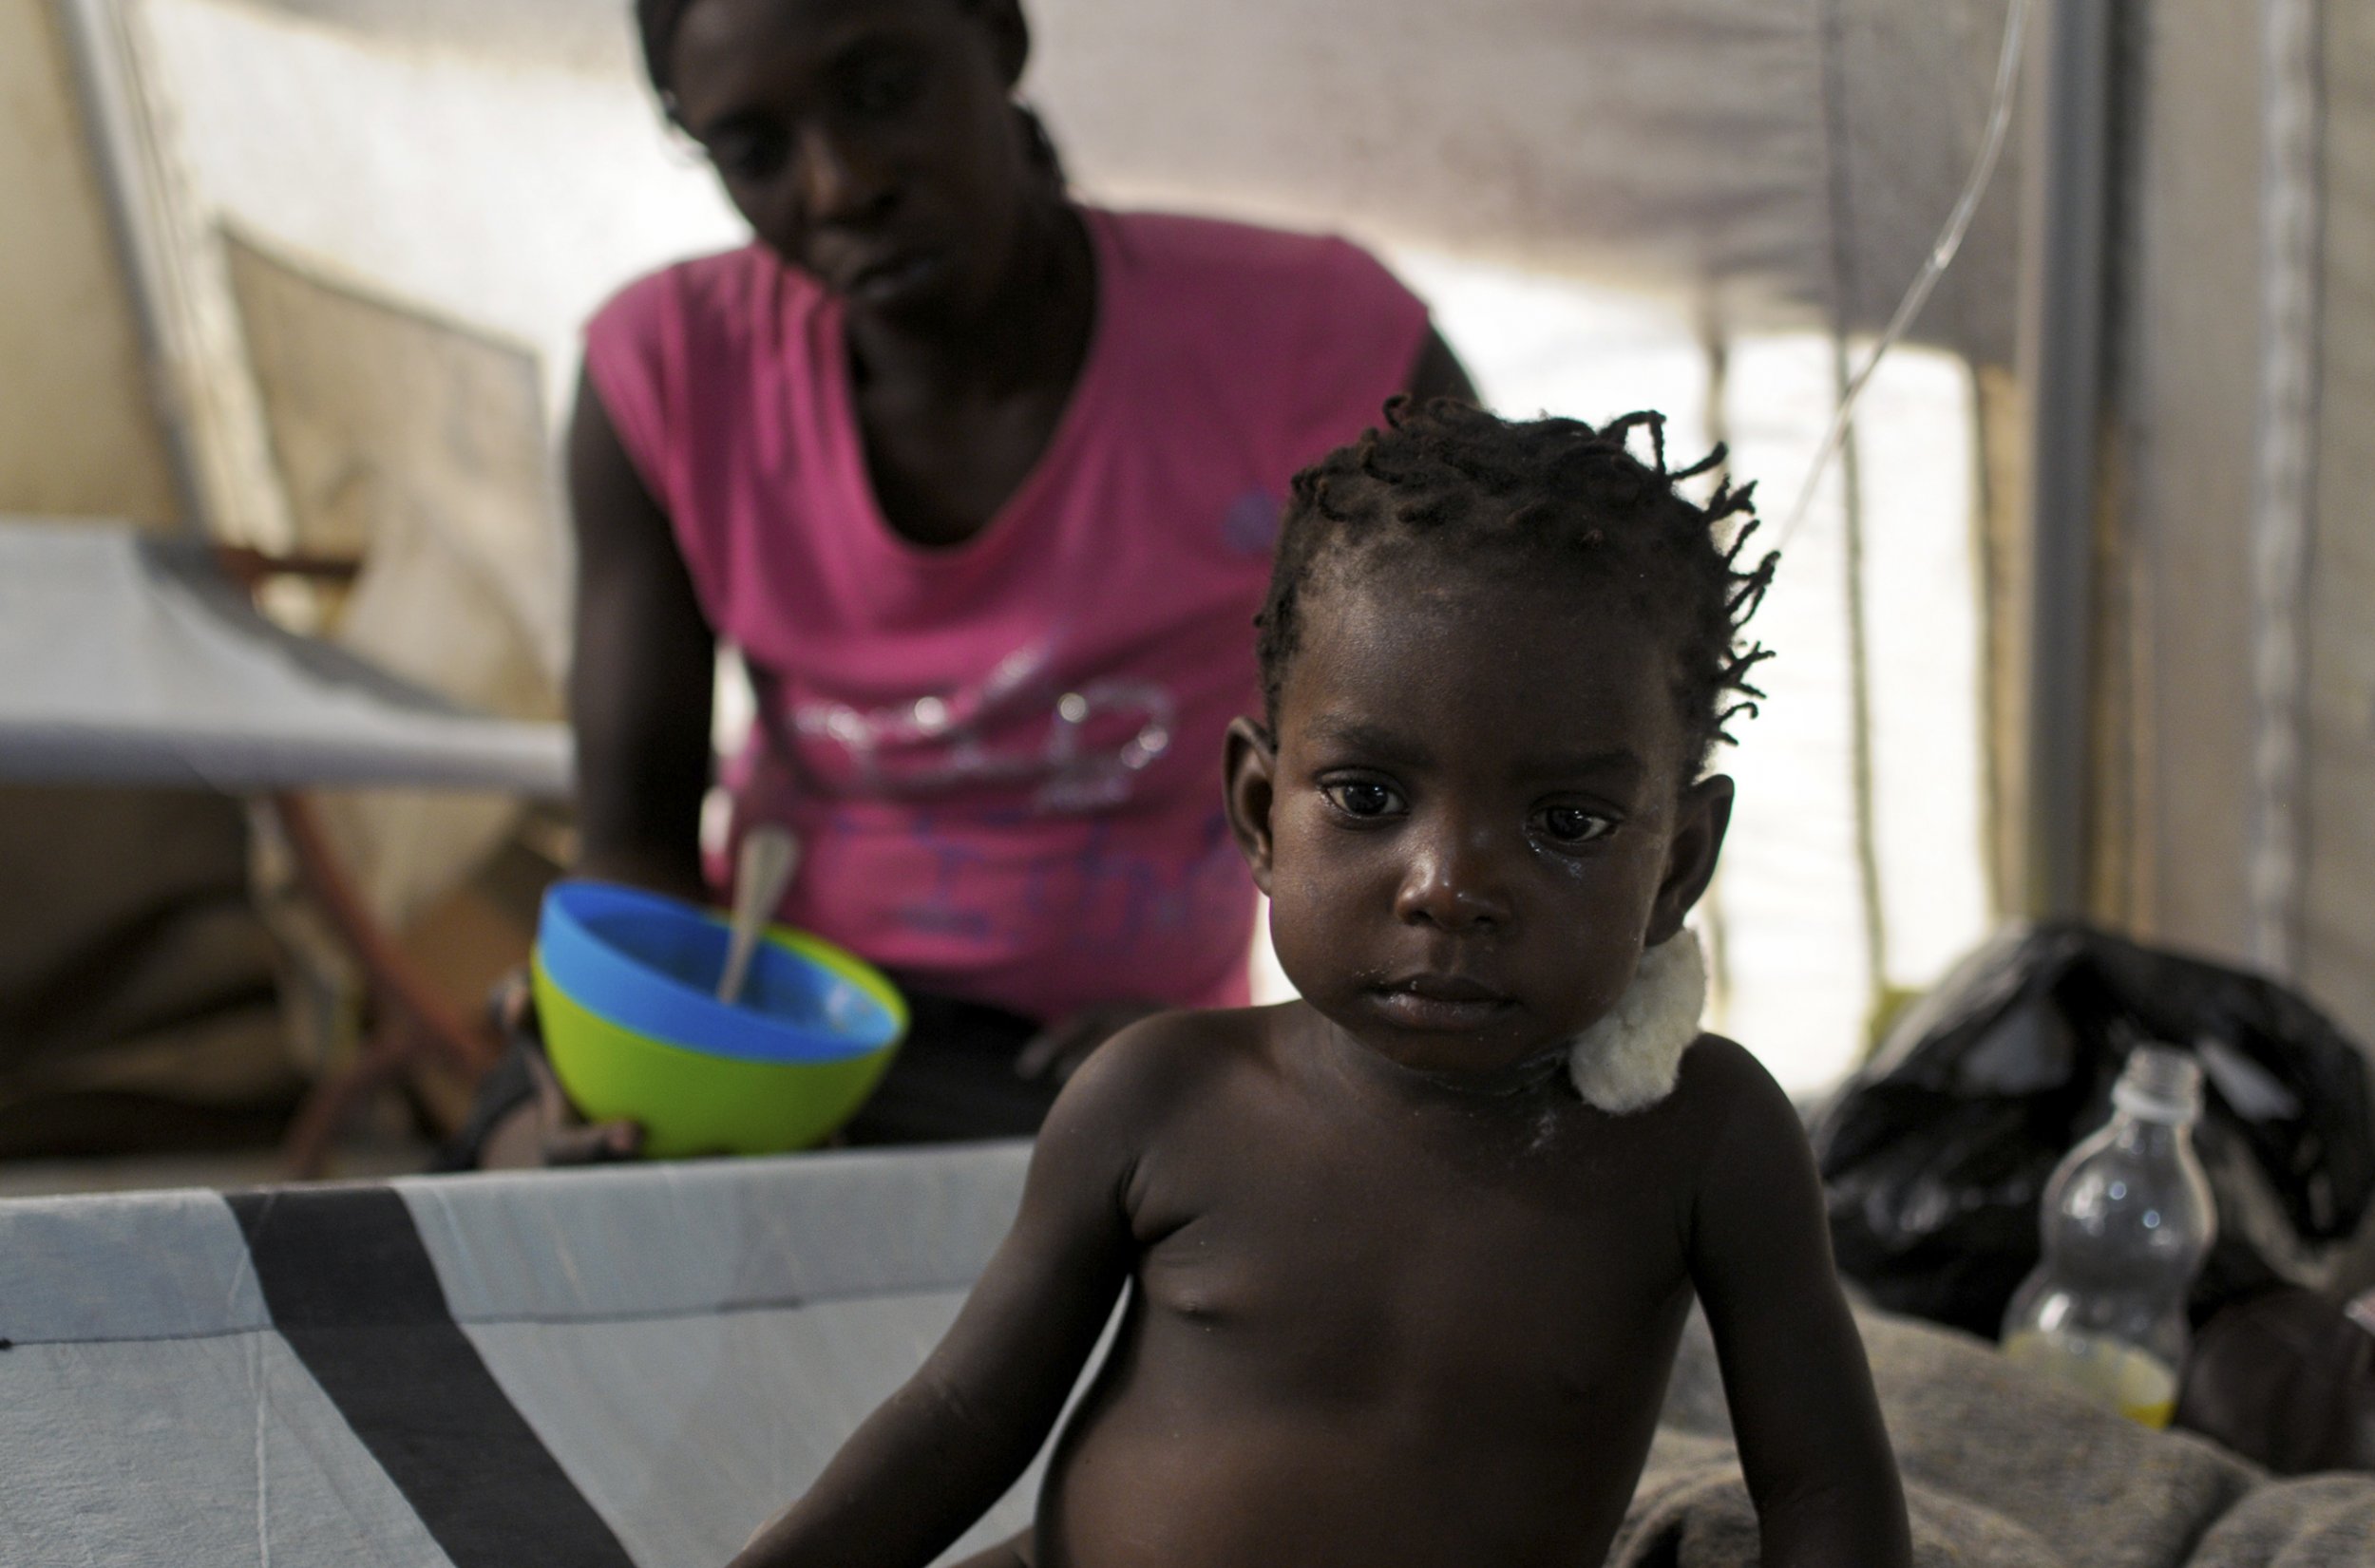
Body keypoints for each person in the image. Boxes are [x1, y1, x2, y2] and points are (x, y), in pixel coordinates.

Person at [724, 400, 1914, 1567]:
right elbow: (961, 1421)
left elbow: (1824, 1493)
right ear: (1258, 809)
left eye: (1565, 820)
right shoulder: (1158, 1097)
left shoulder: (1703, 1141)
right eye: (1368, 797)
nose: (1447, 886)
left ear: (1677, 866)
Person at [475, 0, 1476, 1162]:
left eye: (883, 88)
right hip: (763, 1010)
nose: (842, 183)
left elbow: (1497, 752)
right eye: (755, 152)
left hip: (1089, 1053)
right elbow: (633, 843)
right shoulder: (667, 369)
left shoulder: (1318, 345)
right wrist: (605, 1056)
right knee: (521, 1180)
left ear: (998, 33)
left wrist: (1301, 1036)